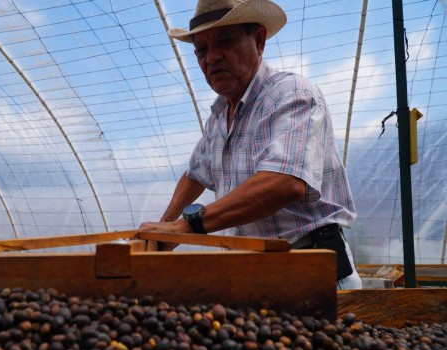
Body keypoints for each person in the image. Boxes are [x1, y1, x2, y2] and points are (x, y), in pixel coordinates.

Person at [138, 0, 362, 289]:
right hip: (254, 274)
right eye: (202, 50)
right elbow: (195, 174)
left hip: (311, 270)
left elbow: (284, 182)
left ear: (258, 41)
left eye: (225, 42)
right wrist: (165, 230)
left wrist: (185, 227)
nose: (212, 58)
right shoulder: (220, 116)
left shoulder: (290, 94)